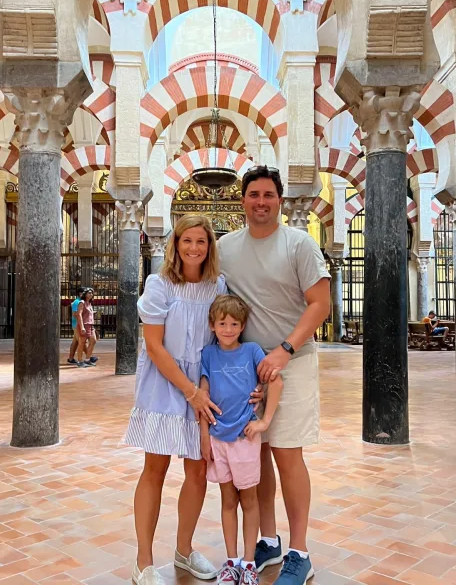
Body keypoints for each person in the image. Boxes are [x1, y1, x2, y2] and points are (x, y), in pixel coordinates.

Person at [122, 215, 263, 585]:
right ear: (176, 243)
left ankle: (183, 552)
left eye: (201, 241)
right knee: (155, 468)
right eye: (187, 240)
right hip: (166, 385)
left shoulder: (218, 286)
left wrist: (245, 383)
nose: (194, 248)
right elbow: (154, 346)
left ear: (209, 246)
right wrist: (190, 391)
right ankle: (144, 562)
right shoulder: (159, 285)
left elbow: (226, 340)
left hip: (204, 389)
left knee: (198, 469)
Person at [218, 165, 331, 585]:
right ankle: (268, 541)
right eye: (253, 195)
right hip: (248, 368)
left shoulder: (299, 244)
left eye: (268, 195)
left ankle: (300, 551)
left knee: (287, 453)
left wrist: (285, 350)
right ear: (243, 201)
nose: (261, 202)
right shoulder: (227, 247)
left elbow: (320, 304)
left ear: (279, 201)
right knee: (256, 454)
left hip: (292, 362)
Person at [200, 295, 283, 585]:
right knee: (227, 500)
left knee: (249, 499)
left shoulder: (252, 351)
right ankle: (231, 561)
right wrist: (204, 438)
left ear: (242, 325)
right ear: (212, 325)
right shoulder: (208, 355)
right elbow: (204, 394)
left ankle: (249, 562)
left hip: (245, 438)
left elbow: (275, 380)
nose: (228, 328)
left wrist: (264, 422)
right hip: (217, 439)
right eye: (222, 323)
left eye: (234, 323)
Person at [75, 288, 98, 368]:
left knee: (93, 340)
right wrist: (82, 327)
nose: (91, 294)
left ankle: (87, 359)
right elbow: (79, 315)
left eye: (92, 293)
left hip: (90, 325)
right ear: (85, 294)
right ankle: (80, 360)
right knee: (82, 343)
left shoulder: (89, 303)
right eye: (89, 293)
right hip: (84, 325)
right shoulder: (82, 303)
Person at [67, 287, 86, 365]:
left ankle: (71, 358)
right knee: (82, 341)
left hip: (77, 324)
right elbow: (75, 314)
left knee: (75, 342)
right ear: (80, 293)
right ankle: (89, 357)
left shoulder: (81, 301)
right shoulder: (77, 302)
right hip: (77, 325)